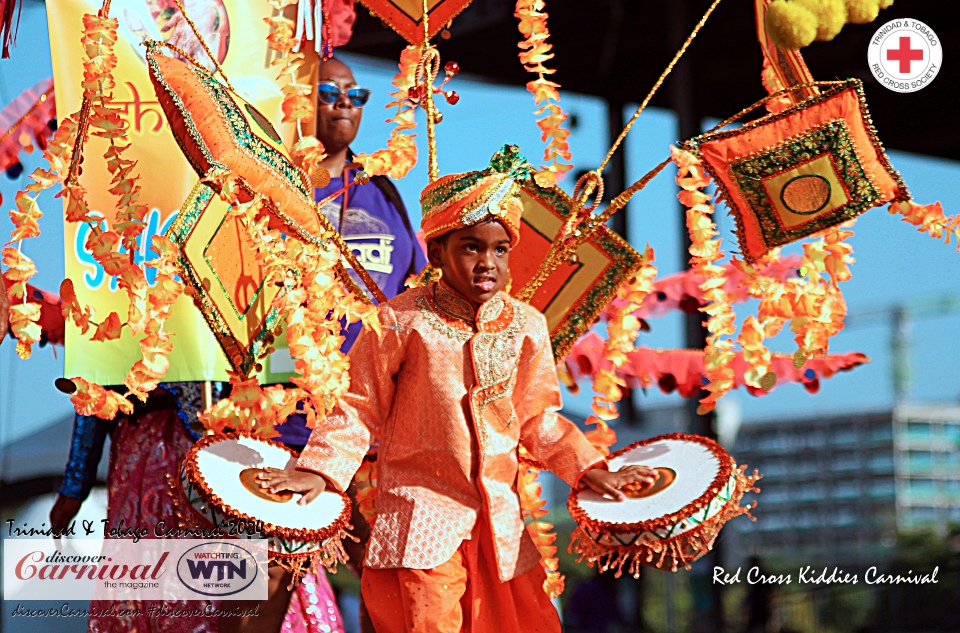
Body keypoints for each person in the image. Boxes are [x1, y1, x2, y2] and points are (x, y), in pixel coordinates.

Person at [258, 145, 657, 633]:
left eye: (500, 249)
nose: (487, 262)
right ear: (438, 252)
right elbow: (359, 410)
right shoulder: (398, 321)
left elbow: (539, 420)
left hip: (499, 527)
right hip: (420, 522)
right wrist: (318, 472)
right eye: (472, 247)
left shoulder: (527, 326)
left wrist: (591, 469)